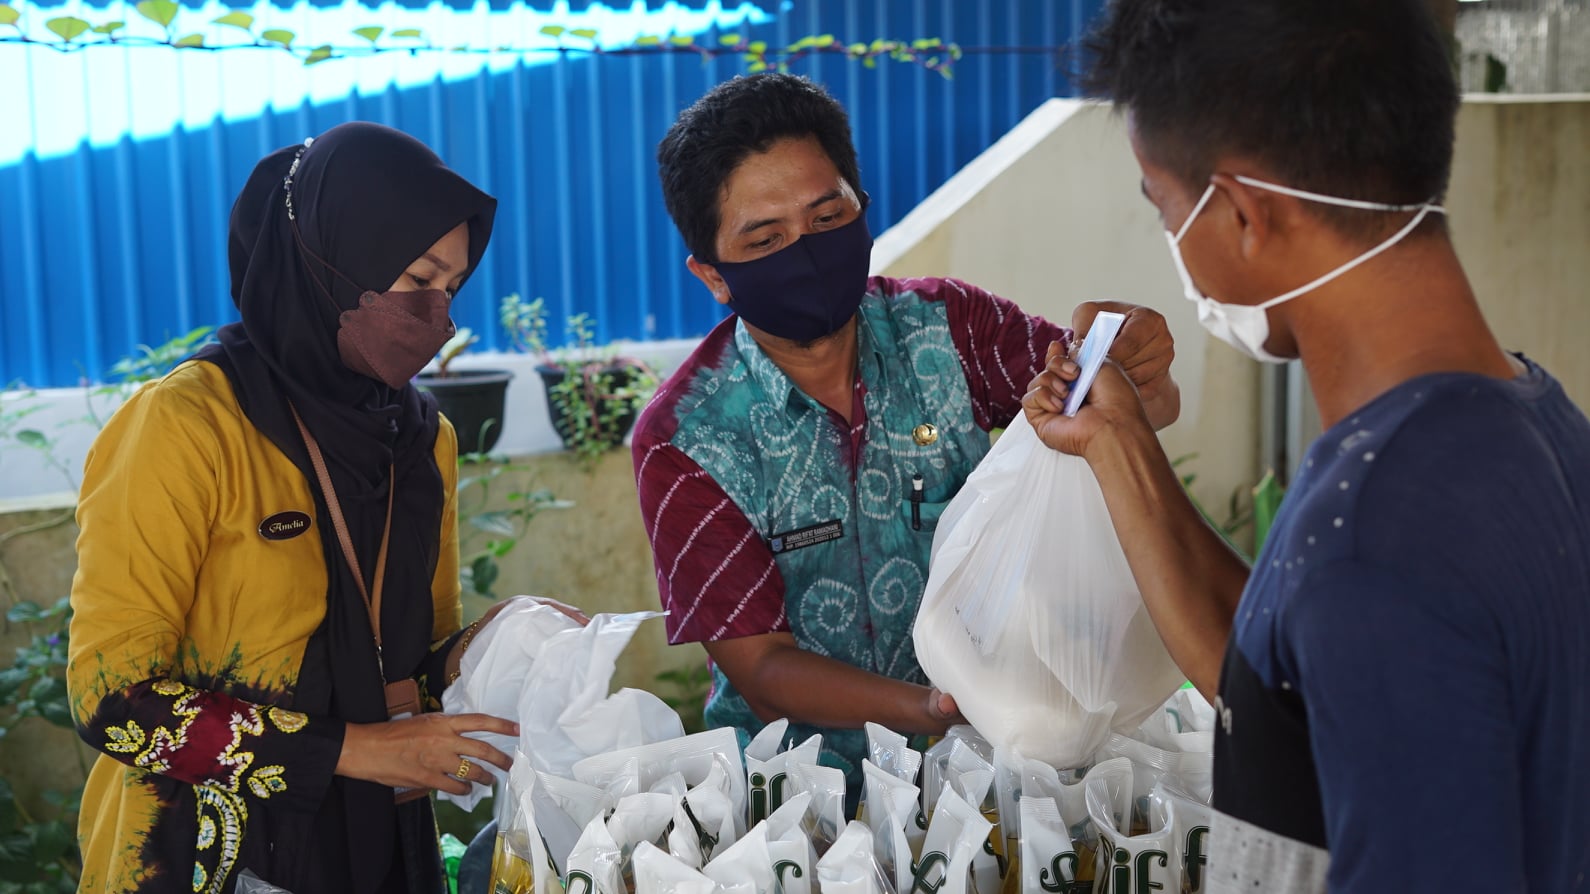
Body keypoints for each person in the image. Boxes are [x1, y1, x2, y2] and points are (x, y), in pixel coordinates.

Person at [1022, 1, 1590, 890]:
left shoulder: (1373, 542)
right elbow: (1285, 703)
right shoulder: (1521, 418)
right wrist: (1118, 442)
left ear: (1244, 214)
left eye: (1164, 207)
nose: (1170, 243)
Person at [634, 72, 1181, 795]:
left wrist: (1140, 365)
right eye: (766, 239)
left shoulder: (951, 330)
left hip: (996, 776)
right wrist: (938, 709)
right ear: (713, 275)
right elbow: (762, 669)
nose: (805, 251)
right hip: (805, 803)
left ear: (862, 208)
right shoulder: (686, 438)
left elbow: (1117, 405)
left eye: (828, 219)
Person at [68, 122, 533, 894]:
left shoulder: (422, 441)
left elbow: (410, 671)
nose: (438, 316)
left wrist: (499, 643)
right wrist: (354, 749)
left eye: (452, 287)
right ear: (328, 260)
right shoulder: (188, 424)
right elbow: (112, 699)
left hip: (381, 849)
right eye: (418, 277)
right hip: (198, 856)